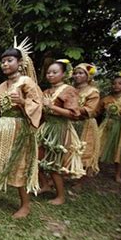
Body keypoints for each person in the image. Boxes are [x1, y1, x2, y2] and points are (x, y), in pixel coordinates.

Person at [0, 38, 43, 218]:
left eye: (9, 60)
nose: (5, 64)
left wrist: (23, 102)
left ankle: (25, 205)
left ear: (20, 63)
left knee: (19, 163)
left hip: (20, 128)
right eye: (3, 61)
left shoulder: (27, 82)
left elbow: (37, 104)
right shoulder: (1, 87)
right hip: (3, 127)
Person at [37, 59, 85, 205]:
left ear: (64, 74)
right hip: (46, 127)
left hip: (60, 128)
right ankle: (45, 185)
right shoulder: (46, 91)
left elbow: (74, 114)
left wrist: (52, 107)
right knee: (35, 158)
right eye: (48, 72)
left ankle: (60, 196)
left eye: (54, 72)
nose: (50, 75)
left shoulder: (68, 90)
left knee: (54, 163)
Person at [71, 63, 101, 182]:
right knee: (69, 149)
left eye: (80, 73)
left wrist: (73, 108)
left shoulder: (93, 91)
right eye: (75, 73)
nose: (77, 75)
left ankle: (80, 181)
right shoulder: (71, 89)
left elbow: (90, 109)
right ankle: (64, 175)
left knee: (84, 151)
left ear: (88, 76)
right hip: (72, 122)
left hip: (86, 124)